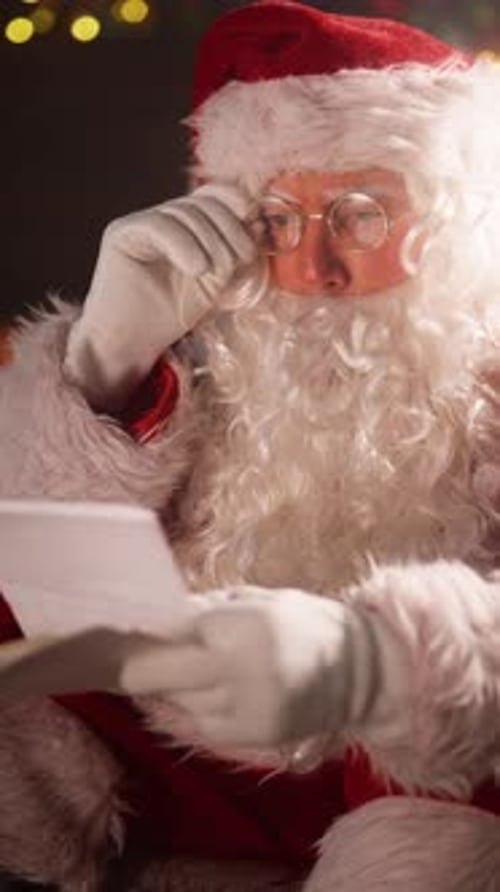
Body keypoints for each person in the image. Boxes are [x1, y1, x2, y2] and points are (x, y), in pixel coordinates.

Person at [2, 0, 500, 889]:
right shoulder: (203, 359)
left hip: (414, 778)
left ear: (451, 218)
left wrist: (374, 667)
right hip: (190, 784)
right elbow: (59, 594)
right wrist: (105, 356)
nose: (311, 272)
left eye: (357, 215)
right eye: (274, 221)